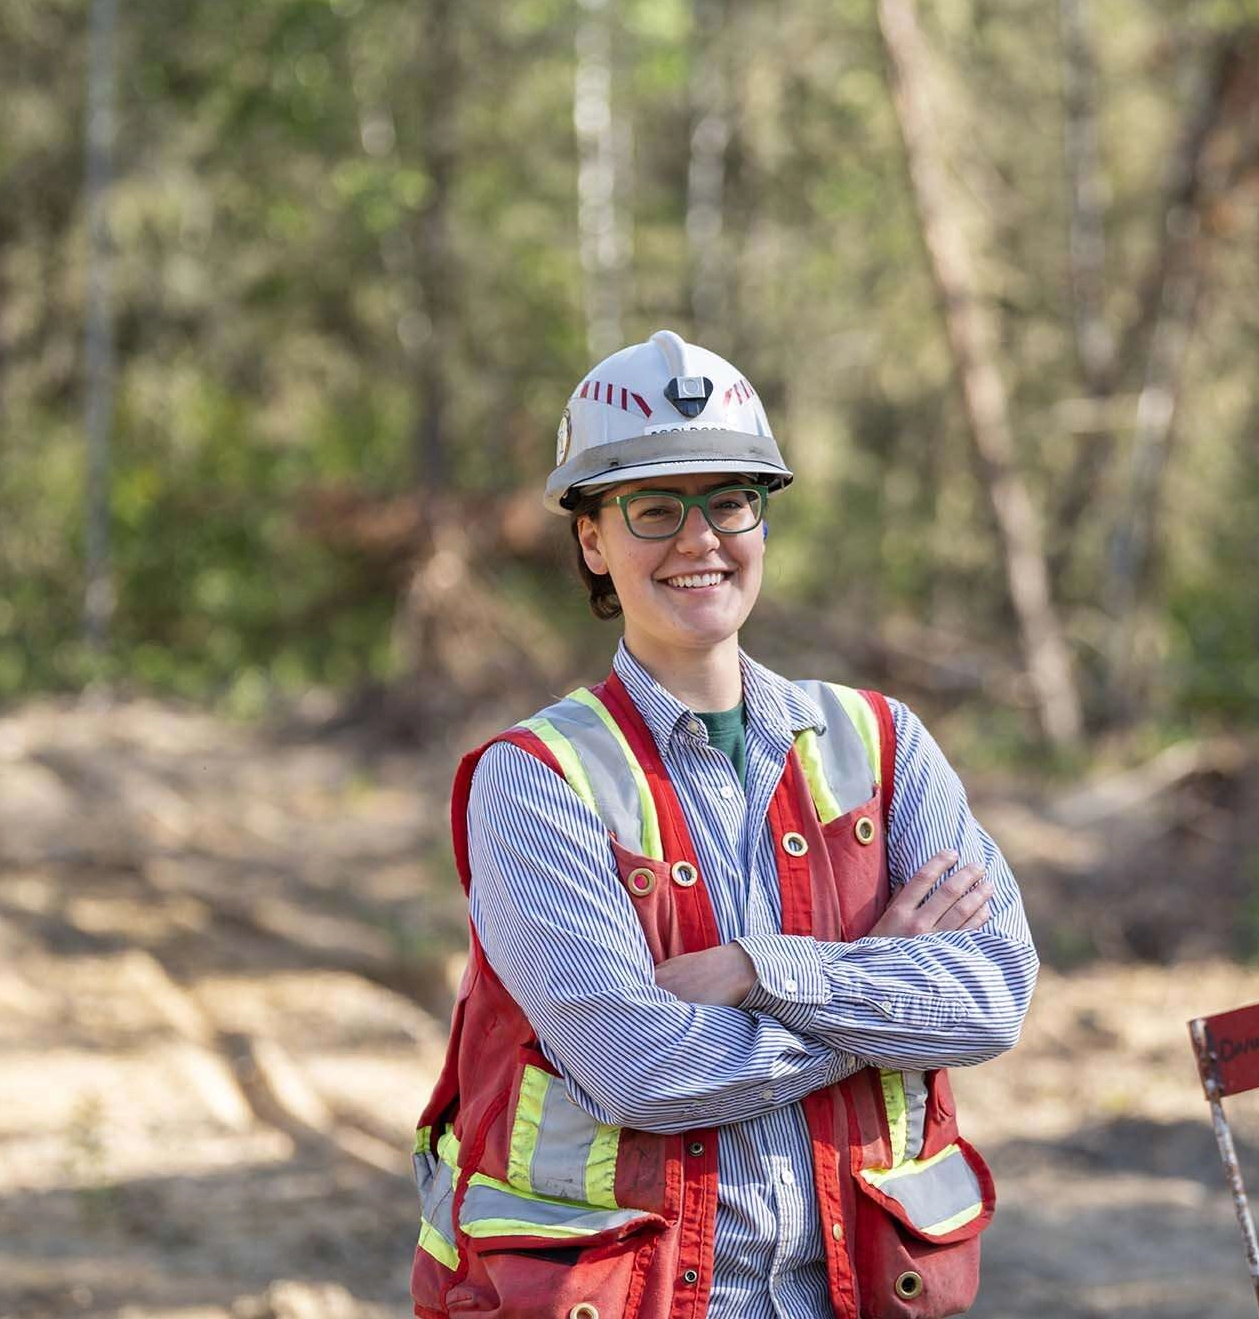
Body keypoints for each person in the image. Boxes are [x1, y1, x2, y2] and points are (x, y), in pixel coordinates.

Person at [409, 330, 1037, 1319]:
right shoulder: (535, 781)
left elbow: (993, 997)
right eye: (655, 508)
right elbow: (640, 1071)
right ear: (591, 540)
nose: (699, 539)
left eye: (730, 500)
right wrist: (878, 986)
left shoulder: (882, 743)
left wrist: (761, 969)